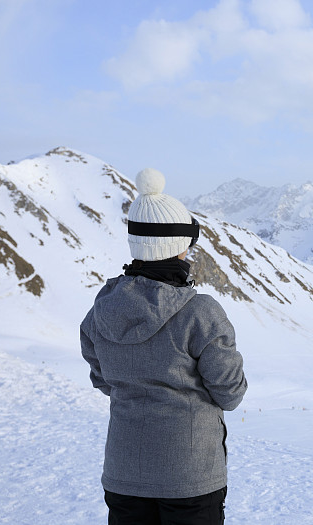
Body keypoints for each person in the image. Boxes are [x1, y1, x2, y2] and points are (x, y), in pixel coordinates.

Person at [81, 167, 248, 525]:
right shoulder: (200, 312)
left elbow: (103, 379)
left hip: (124, 472)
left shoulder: (102, 310)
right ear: (181, 246)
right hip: (189, 478)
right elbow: (230, 393)